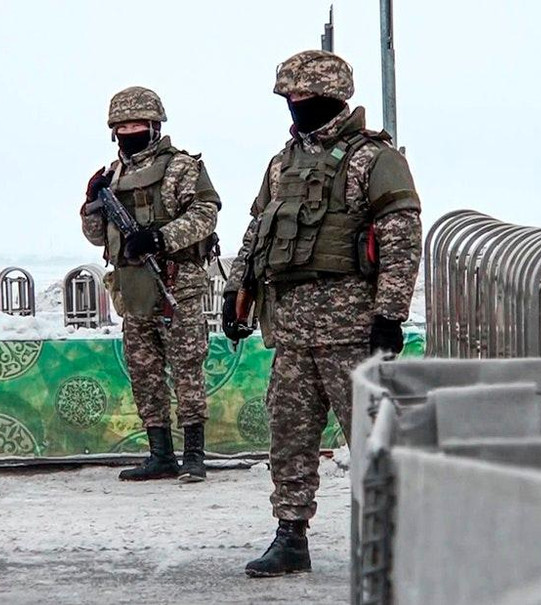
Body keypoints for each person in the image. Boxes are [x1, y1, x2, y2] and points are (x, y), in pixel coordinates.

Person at [223, 50, 422, 577]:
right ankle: (290, 536)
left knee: (373, 436)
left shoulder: (373, 159)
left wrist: (389, 314)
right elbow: (258, 231)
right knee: (289, 435)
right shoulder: (282, 163)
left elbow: (402, 238)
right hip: (291, 330)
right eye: (290, 96)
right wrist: (238, 286)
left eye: (305, 95)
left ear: (333, 95)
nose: (296, 104)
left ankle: (393, 538)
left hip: (351, 330)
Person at [81, 86, 221, 483]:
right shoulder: (113, 175)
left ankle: (193, 455)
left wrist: (160, 238)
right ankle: (160, 454)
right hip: (133, 288)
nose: (130, 132)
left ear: (155, 126)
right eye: (123, 127)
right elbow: (96, 236)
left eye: (137, 125)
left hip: (178, 285)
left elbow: (206, 214)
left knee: (187, 369)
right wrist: (91, 203)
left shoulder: (181, 167)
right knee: (144, 373)